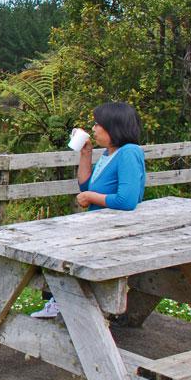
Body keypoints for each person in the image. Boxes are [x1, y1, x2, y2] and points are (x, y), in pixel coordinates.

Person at [31, 102, 146, 318]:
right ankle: (60, 301)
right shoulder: (110, 153)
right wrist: (86, 155)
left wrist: (92, 198)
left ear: (113, 127)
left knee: (61, 248)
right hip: (98, 227)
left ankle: (63, 303)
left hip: (114, 232)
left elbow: (127, 200)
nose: (93, 129)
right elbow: (86, 186)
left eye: (97, 124)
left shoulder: (129, 152)